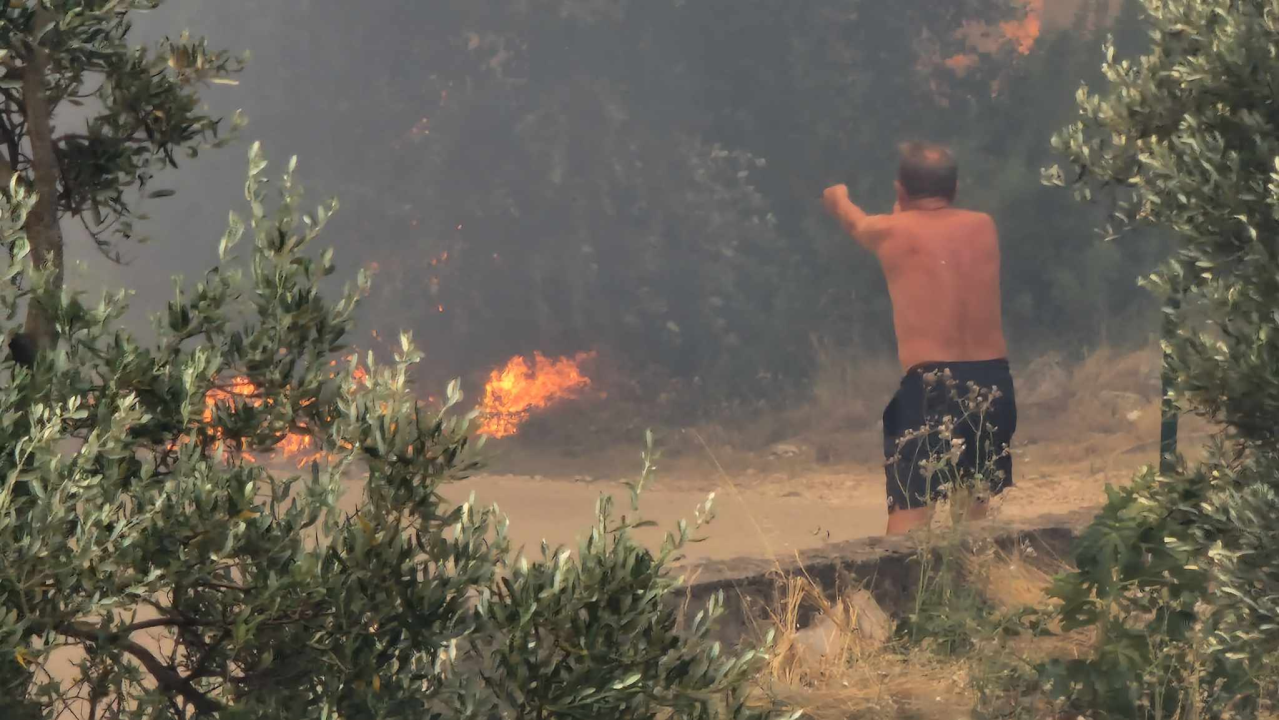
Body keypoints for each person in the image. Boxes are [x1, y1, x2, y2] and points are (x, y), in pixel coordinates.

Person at [822, 141, 1017, 535]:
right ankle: (976, 575)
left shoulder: (890, 229)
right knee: (975, 515)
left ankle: (908, 579)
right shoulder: (984, 225)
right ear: (955, 188)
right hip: (992, 380)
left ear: (900, 190)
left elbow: (856, 223)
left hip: (932, 382)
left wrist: (836, 196)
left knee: (909, 517)